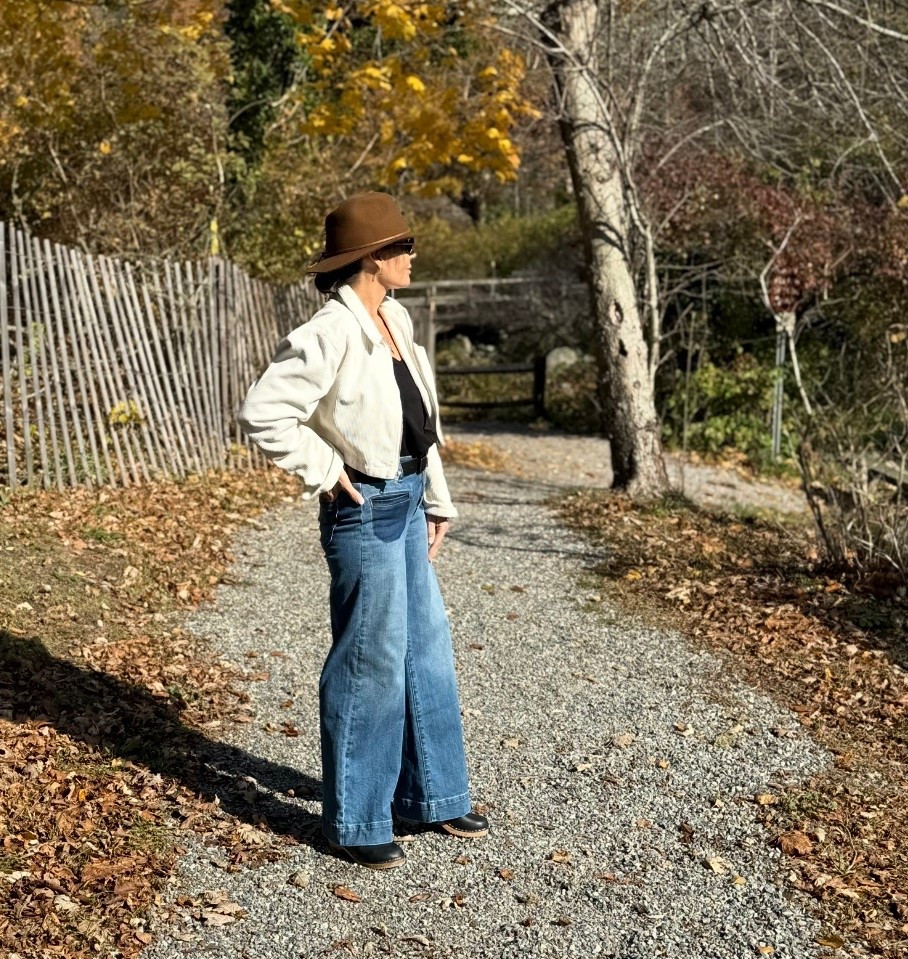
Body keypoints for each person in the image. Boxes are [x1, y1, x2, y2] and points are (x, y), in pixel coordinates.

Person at [237, 192, 488, 870]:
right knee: (370, 659)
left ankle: (431, 795)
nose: (411, 254)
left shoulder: (396, 319)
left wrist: (437, 498)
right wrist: (324, 467)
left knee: (426, 646)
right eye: (400, 246)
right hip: (364, 506)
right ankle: (354, 819)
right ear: (369, 260)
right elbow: (263, 412)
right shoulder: (332, 330)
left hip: (406, 498)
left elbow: (420, 422)